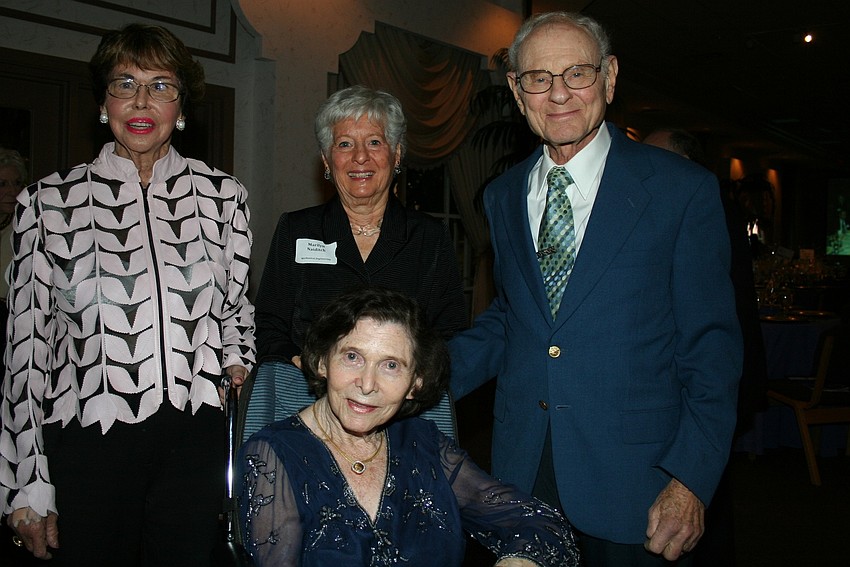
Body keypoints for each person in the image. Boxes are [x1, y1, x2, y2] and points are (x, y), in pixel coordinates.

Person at [448, 12, 742, 567]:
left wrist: (691, 480)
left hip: (640, 485)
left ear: (608, 77)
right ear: (516, 90)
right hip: (522, 472)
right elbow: (515, 318)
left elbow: (712, 351)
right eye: (538, 77)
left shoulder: (680, 191)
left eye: (576, 73)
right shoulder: (503, 195)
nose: (558, 94)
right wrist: (418, 375)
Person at [0, 23, 255, 565]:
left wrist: (236, 358)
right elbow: (25, 355)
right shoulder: (47, 203)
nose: (143, 101)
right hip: (89, 437)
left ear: (182, 106)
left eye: (162, 85)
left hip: (194, 439)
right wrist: (26, 483)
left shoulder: (223, 198)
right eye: (125, 83)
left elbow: (236, 309)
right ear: (103, 101)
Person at [239, 286, 580, 566]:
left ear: (415, 383)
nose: (367, 383)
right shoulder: (272, 453)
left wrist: (518, 561)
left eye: (390, 365)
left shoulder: (424, 445)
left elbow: (541, 521)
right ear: (321, 361)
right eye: (352, 357)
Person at [254, 85, 466, 365]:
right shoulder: (297, 230)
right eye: (345, 144)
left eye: (375, 142)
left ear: (397, 154)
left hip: (403, 401)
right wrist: (299, 362)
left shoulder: (429, 237)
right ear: (326, 160)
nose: (360, 156)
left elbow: (451, 333)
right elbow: (268, 323)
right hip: (310, 395)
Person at [644, 128, 767, 567]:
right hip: (695, 379)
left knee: (705, 500)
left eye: (657, 157)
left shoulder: (703, 202)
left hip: (707, 376)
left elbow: (716, 315)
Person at [0, 148, 28, 364]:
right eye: (3, 184)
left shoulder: (26, 225)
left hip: (14, 319)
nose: (12, 191)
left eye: (17, 183)